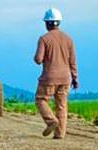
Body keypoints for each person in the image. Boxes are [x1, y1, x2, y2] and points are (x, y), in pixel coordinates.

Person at [33, 7, 77, 139]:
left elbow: (38, 60)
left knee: (41, 99)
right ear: (59, 22)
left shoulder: (44, 39)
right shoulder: (69, 39)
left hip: (49, 78)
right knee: (61, 105)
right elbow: (73, 61)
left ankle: (51, 121)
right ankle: (60, 134)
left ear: (47, 23)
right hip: (65, 78)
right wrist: (75, 78)